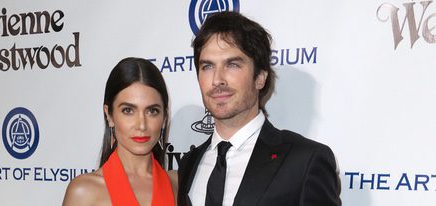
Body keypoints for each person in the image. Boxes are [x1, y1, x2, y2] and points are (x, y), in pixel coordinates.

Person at [178, 12, 341, 206]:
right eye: (207, 67)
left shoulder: (305, 161)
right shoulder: (189, 163)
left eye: (232, 64)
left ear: (260, 77)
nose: (217, 79)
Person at [63, 57, 177, 206]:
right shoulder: (83, 192)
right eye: (128, 110)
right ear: (109, 115)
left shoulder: (177, 184)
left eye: (152, 111)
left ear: (164, 117)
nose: (141, 125)